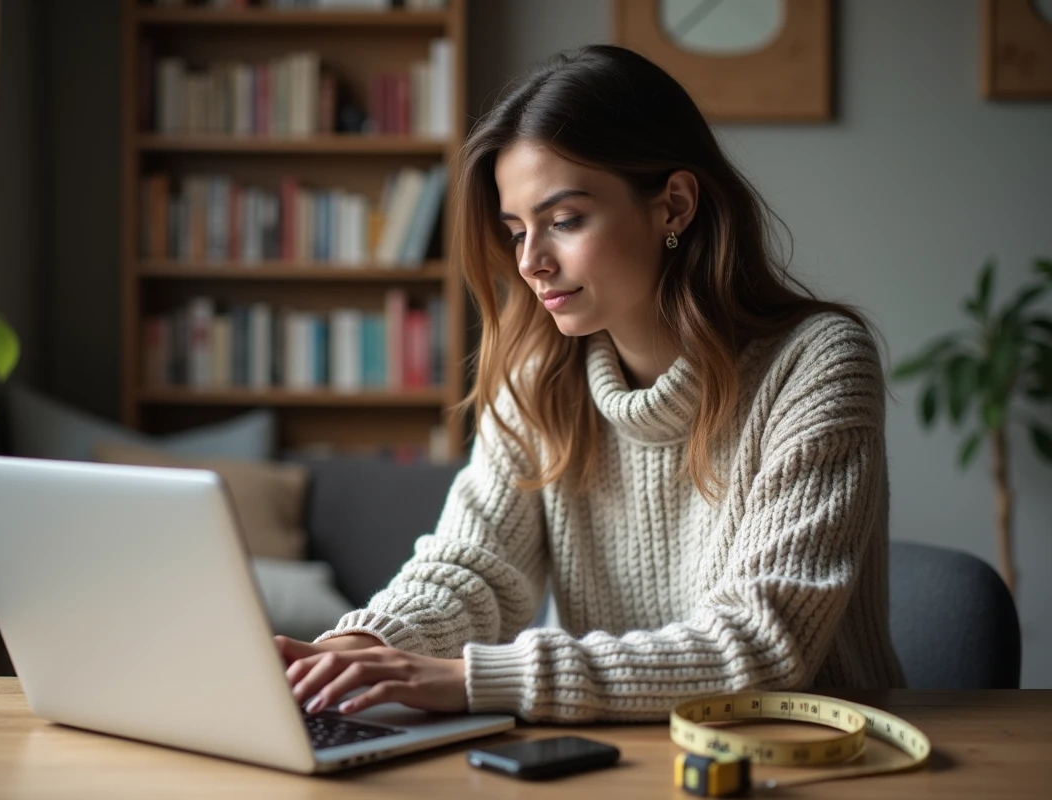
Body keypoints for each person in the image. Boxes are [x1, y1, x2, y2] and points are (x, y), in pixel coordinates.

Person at [276, 44, 907, 724]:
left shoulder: (816, 364)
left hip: (811, 754)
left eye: (564, 221)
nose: (530, 262)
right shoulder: (537, 378)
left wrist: (471, 680)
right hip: (620, 755)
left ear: (674, 206)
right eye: (516, 231)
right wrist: (358, 647)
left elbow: (758, 646)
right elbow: (475, 566)